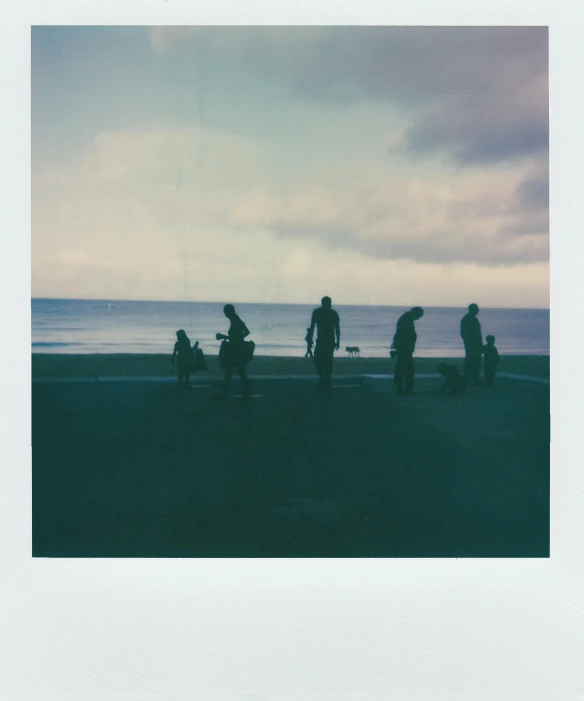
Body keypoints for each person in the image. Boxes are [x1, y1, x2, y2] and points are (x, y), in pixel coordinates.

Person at [216, 304, 251, 400]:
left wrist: (224, 337)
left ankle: (226, 392)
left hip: (235, 349)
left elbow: (235, 337)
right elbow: (246, 332)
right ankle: (244, 393)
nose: (224, 313)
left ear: (229, 312)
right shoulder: (236, 320)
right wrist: (239, 339)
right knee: (239, 371)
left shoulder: (235, 320)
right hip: (238, 347)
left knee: (230, 371)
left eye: (225, 311)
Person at [306, 296, 341, 389]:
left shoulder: (333, 313)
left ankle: (327, 380)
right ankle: (323, 378)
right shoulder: (317, 312)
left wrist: (338, 341)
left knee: (328, 361)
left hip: (330, 341)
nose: (329, 305)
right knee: (318, 360)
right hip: (321, 340)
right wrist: (309, 339)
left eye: (329, 303)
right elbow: (312, 326)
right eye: (327, 303)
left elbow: (337, 328)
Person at [391, 307, 424, 394]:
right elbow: (404, 335)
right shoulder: (407, 320)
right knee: (406, 367)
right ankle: (406, 388)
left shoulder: (406, 319)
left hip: (404, 347)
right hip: (404, 348)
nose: (419, 318)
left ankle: (402, 387)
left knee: (402, 367)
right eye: (419, 315)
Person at [460, 303, 483, 386]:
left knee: (475, 362)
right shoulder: (467, 319)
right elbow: (464, 334)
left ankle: (473, 379)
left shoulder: (472, 319)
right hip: (471, 345)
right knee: (470, 362)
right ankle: (468, 379)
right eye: (476, 309)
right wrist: (470, 343)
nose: (478, 311)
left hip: (474, 345)